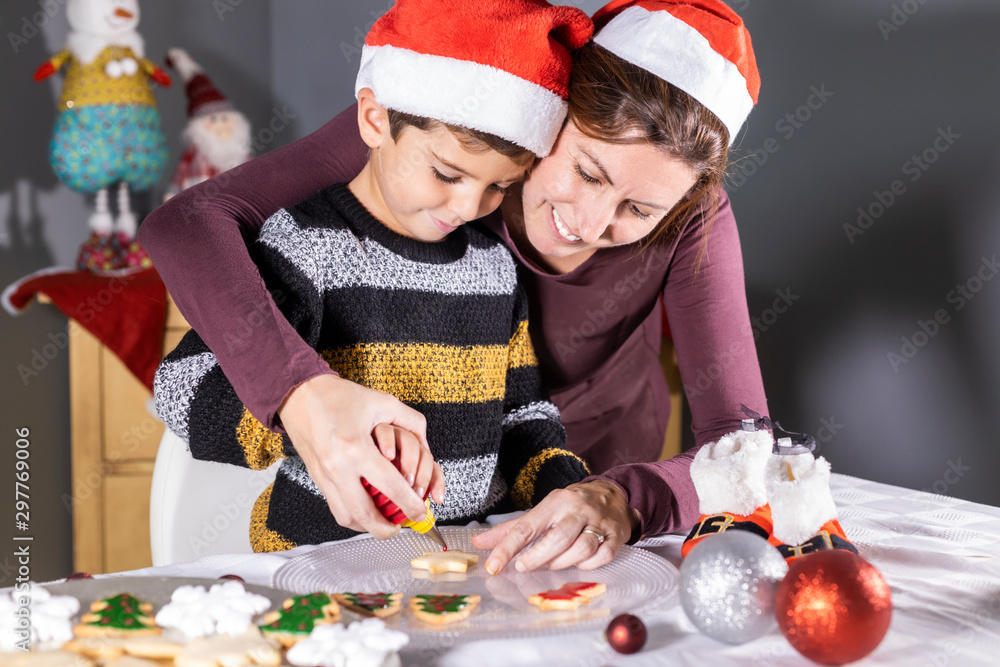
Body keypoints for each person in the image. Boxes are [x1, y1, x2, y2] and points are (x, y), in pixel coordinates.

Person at [140, 0, 768, 571]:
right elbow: (187, 225)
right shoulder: (459, 110)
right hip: (381, 501)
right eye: (586, 171)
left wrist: (623, 498)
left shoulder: (693, 218)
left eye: (640, 211)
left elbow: (744, 446)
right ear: (551, 104)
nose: (588, 224)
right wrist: (304, 397)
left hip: (589, 480)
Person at [152, 0, 593, 552]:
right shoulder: (306, 246)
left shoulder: (493, 268)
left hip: (470, 555)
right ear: (374, 118)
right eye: (447, 173)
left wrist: (559, 484)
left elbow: (524, 412)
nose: (468, 205)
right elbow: (181, 388)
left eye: (499, 187)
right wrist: (308, 420)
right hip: (322, 559)